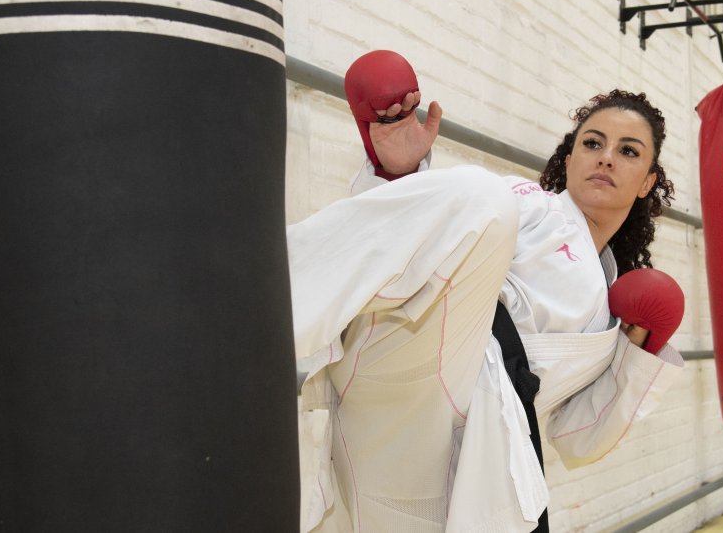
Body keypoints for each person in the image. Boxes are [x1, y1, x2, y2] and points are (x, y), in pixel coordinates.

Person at [288, 53, 685, 532]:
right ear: (570, 157)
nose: (605, 156)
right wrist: (399, 175)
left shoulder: (611, 305)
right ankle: (262, 305)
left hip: (463, 452)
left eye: (628, 151)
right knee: (482, 198)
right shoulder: (523, 202)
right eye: (593, 142)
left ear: (647, 182)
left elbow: (578, 439)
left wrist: (640, 346)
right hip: (415, 361)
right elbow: (433, 256)